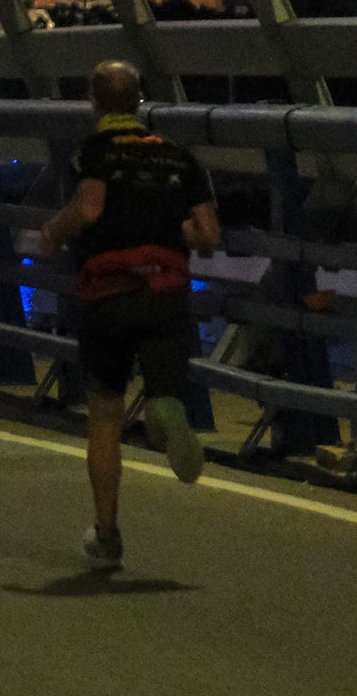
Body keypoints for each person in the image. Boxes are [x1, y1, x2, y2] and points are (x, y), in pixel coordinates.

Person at [35, 60, 221, 573]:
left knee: (105, 413)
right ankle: (163, 412)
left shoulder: (93, 150)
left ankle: (108, 534)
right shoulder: (180, 158)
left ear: (95, 102)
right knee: (164, 392)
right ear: (140, 101)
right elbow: (207, 234)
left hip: (108, 295)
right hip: (166, 291)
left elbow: (90, 208)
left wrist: (53, 232)